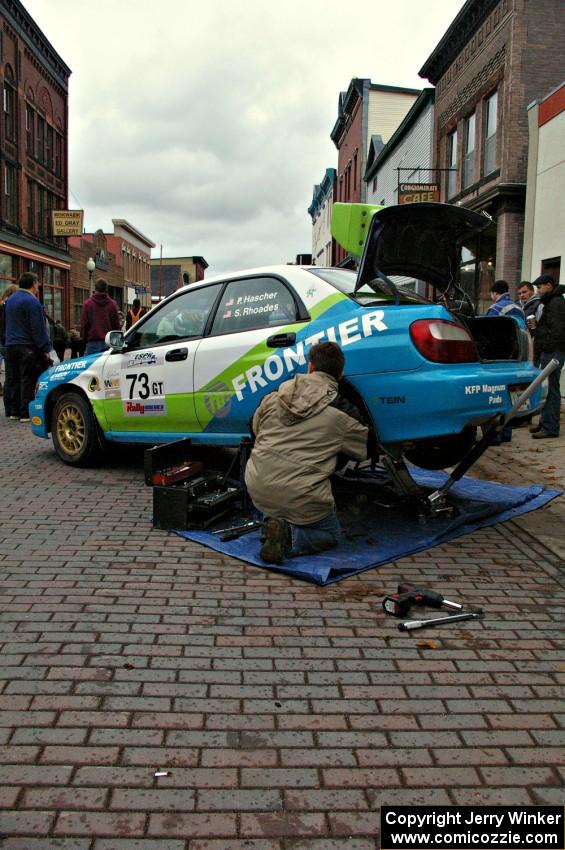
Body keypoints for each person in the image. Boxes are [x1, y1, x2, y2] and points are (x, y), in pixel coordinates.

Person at [244, 341, 369, 564]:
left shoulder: (274, 396)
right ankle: (290, 537)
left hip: (258, 486)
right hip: (301, 496)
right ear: (340, 375)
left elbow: (254, 428)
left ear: (310, 367)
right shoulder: (343, 411)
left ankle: (273, 525)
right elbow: (363, 450)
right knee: (331, 535)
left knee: (277, 497)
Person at [4, 272, 52, 422]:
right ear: (33, 284)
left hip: (11, 344)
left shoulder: (10, 300)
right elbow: (37, 328)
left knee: (13, 378)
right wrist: (45, 348)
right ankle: (25, 412)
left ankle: (14, 411)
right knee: (27, 378)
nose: (39, 286)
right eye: (38, 283)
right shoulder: (32, 302)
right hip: (27, 346)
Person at [530, 274, 565, 440]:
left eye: (540, 287)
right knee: (546, 388)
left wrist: (547, 347)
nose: (538, 290)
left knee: (551, 389)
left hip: (553, 352)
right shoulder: (551, 302)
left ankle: (550, 426)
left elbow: (557, 330)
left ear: (549, 285)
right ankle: (545, 423)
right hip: (550, 350)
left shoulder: (556, 302)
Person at [80, 278, 120, 355]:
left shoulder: (88, 304)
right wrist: (117, 346)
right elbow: (116, 326)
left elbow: (84, 325)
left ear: (95, 288)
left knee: (92, 366)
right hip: (109, 344)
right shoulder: (113, 305)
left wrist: (85, 340)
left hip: (92, 343)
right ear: (106, 289)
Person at [0, 284, 19, 414]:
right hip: (9, 342)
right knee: (13, 376)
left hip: (4, 343)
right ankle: (11, 407)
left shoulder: (3, 305)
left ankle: (9, 408)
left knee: (9, 376)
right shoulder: (7, 307)